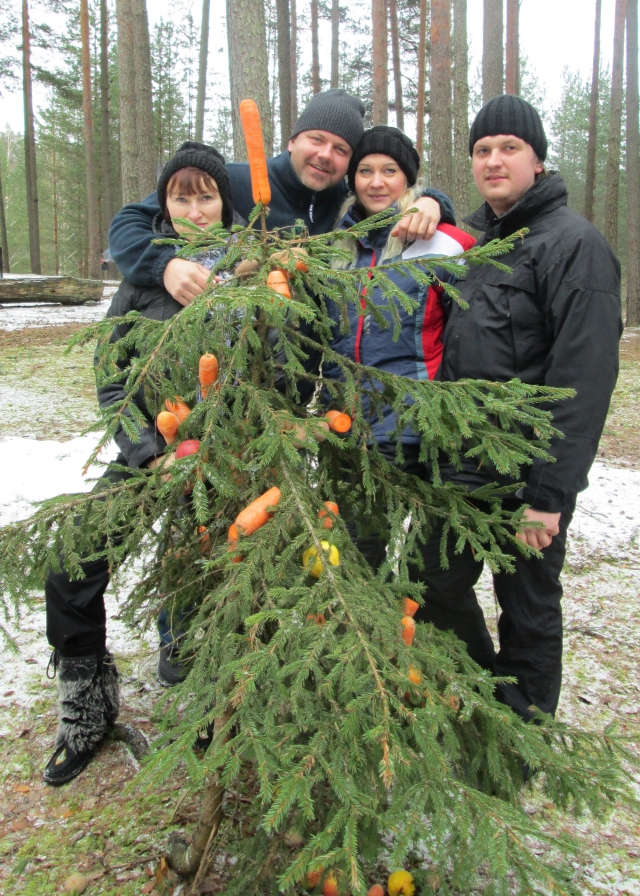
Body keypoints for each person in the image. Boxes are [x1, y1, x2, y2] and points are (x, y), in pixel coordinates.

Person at [416, 95, 622, 722]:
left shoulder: (575, 246)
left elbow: (584, 380)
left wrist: (548, 494)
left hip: (528, 470)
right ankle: (485, 700)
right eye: (482, 150)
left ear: (538, 160)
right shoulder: (478, 245)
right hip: (463, 465)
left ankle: (523, 737)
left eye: (510, 148)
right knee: (433, 585)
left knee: (527, 608)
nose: (494, 161)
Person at [43, 142, 240, 786]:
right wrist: (147, 452)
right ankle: (86, 711)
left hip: (227, 459)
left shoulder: (253, 269)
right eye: (181, 198)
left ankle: (213, 705)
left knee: (216, 576)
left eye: (206, 196)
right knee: (73, 561)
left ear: (224, 202)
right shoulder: (143, 278)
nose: (195, 210)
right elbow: (112, 379)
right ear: (165, 206)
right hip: (149, 454)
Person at [108, 89, 455, 308]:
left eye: (340, 149)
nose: (325, 154)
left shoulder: (344, 203)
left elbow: (394, 196)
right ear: (292, 141)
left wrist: (432, 202)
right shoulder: (234, 181)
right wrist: (166, 266)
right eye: (316, 139)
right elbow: (129, 222)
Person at [321, 126, 475, 449]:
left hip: (410, 431)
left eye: (389, 171)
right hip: (338, 428)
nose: (376, 182)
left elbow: (471, 339)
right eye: (365, 171)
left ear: (407, 178)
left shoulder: (444, 243)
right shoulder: (336, 248)